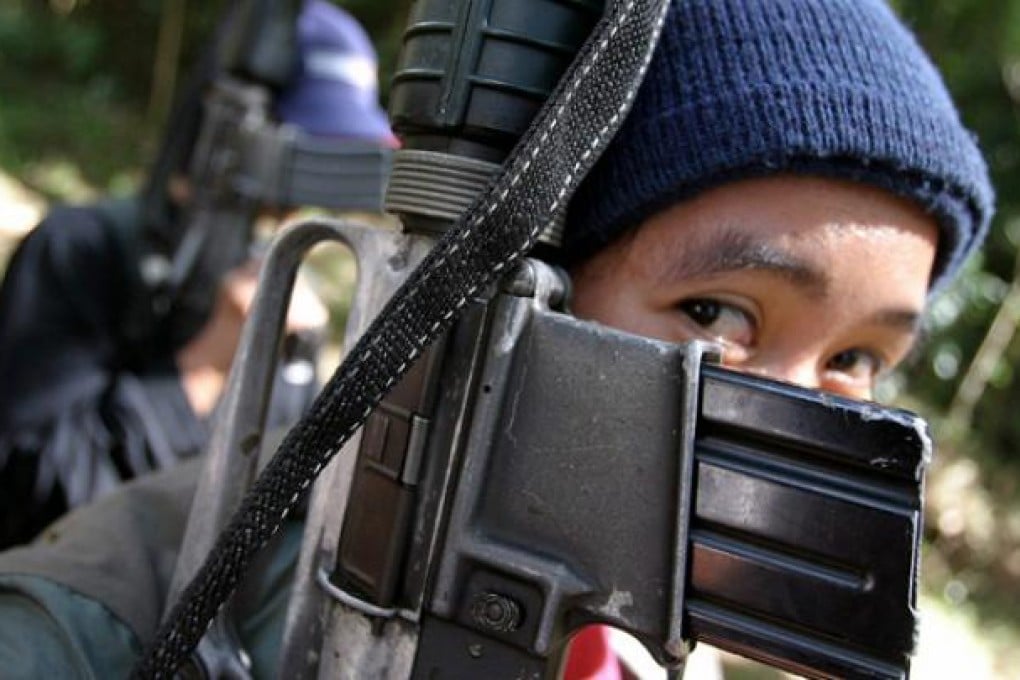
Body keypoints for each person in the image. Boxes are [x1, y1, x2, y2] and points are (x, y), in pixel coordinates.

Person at [0, 0, 993, 678]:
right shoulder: (88, 627)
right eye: (715, 315)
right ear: (510, 297)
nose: (799, 410)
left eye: (856, 359)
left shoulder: (631, 643)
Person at [0, 0, 394, 548]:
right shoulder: (82, 251)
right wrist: (205, 369)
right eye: (299, 163)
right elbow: (31, 494)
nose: (294, 208)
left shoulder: (293, 325)